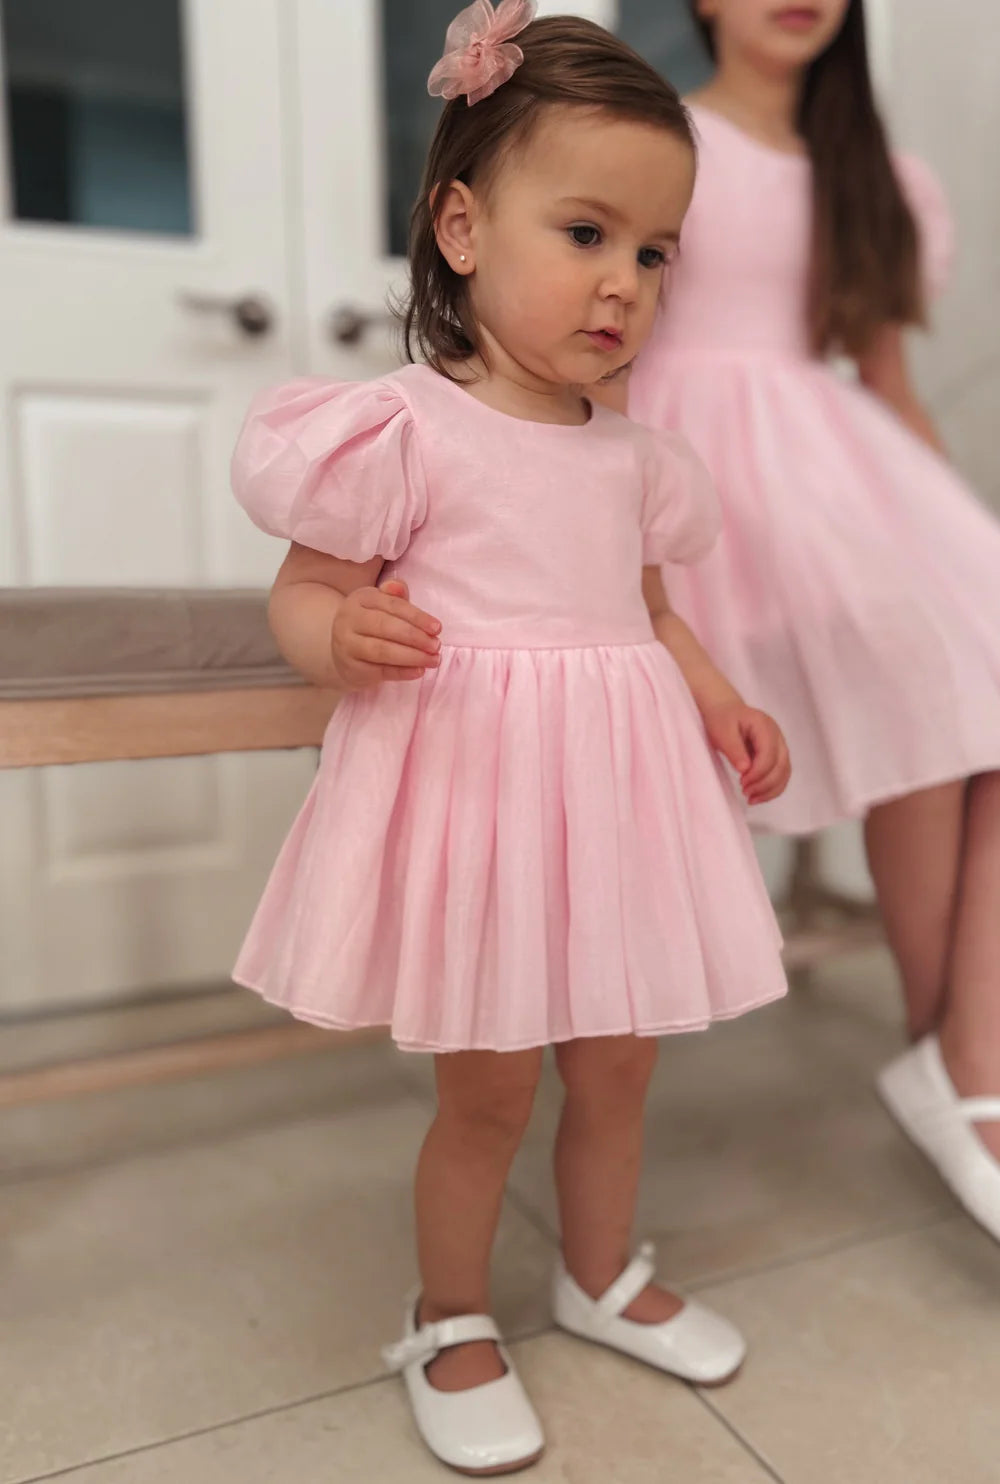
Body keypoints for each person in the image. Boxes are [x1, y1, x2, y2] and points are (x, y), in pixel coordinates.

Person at [231, 3, 789, 1474]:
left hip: (616, 801)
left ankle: (598, 1273)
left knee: (618, 1062)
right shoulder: (406, 430)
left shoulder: (634, 459)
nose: (623, 283)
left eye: (653, 253)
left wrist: (718, 695)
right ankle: (450, 1312)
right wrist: (337, 635)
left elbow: (648, 609)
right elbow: (303, 592)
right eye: (587, 232)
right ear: (464, 228)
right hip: (479, 798)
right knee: (487, 1088)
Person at [621, 0, 1000, 1247]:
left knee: (964, 667)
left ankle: (964, 1051)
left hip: (836, 463)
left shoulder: (874, 172)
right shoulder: (657, 137)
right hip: (698, 472)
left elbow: (883, 379)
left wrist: (957, 548)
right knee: (923, 686)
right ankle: (961, 1068)